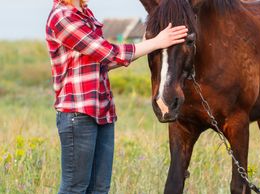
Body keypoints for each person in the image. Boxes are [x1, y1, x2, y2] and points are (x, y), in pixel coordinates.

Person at [45, 0, 188, 193]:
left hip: (102, 111)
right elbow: (108, 54)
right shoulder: (62, 17)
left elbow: (103, 63)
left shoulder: (85, 14)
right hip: (77, 114)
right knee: (75, 188)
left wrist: (151, 45)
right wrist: (155, 42)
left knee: (100, 188)